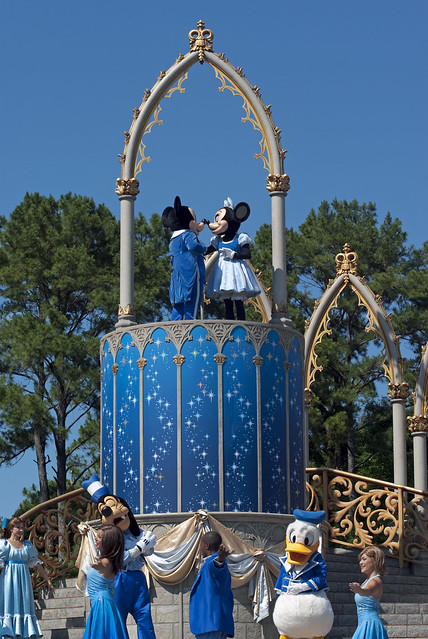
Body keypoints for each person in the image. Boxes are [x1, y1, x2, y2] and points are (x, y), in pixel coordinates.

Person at [0, 516, 54, 638]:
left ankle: (24, 633)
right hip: (9, 580)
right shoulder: (4, 545)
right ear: (11, 529)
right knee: (9, 605)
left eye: (22, 528)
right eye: (18, 527)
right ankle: (8, 632)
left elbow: (37, 564)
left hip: (24, 581)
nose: (21, 530)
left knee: (25, 605)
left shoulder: (27, 545)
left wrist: (48, 580)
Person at [83, 524, 129, 639]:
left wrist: (97, 564)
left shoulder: (105, 563)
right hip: (103, 602)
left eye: (99, 536)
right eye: (97, 535)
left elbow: (102, 565)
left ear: (108, 542)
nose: (95, 538)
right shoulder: (109, 562)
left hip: (101, 604)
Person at [189, 531, 234, 639]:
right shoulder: (208, 563)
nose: (200, 547)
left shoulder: (212, 563)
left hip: (211, 623)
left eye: (201, 544)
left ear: (207, 545)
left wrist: (220, 560)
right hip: (214, 623)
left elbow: (217, 567)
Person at [349, 545, 389, 639]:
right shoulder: (367, 581)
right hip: (364, 624)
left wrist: (360, 590)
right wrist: (360, 589)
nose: (360, 562)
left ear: (374, 560)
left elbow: (369, 591)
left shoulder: (375, 581)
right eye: (360, 560)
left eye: (364, 559)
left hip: (369, 625)